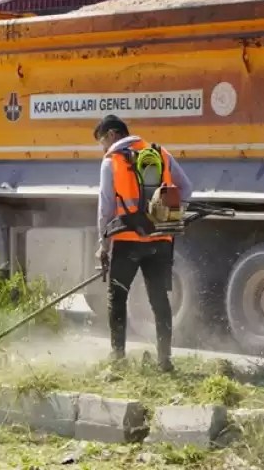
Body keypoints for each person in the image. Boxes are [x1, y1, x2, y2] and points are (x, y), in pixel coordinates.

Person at [94, 114, 193, 372]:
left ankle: (118, 358)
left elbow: (105, 208)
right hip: (160, 240)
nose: (103, 148)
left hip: (127, 241)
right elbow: (186, 188)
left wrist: (103, 245)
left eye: (102, 141)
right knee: (160, 300)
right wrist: (167, 215)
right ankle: (165, 361)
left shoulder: (112, 162)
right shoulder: (160, 153)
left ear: (113, 135)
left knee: (117, 298)